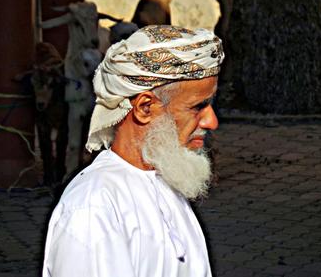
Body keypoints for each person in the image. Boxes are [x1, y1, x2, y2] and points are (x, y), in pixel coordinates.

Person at [42, 25, 224, 277]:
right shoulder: (94, 208)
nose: (211, 122)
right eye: (197, 107)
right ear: (145, 108)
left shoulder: (165, 182)